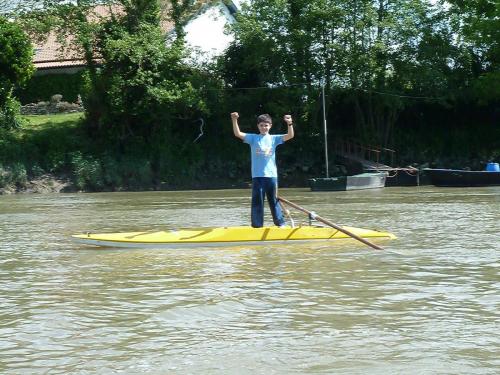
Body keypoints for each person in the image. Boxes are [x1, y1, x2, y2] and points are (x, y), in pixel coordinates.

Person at [231, 112, 294, 228]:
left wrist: (289, 123)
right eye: (261, 125)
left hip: (271, 176)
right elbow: (237, 133)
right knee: (257, 202)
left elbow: (290, 136)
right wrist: (234, 119)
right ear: (258, 126)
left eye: (266, 125)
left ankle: (280, 224)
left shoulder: (274, 139)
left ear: (270, 126)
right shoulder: (253, 138)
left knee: (274, 202)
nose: (264, 127)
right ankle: (257, 225)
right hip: (257, 176)